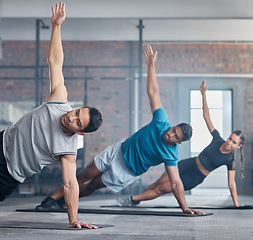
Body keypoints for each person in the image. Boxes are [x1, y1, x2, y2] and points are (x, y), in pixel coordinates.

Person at [36, 45, 203, 215]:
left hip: (127, 170)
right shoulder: (161, 121)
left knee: (93, 185)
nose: (170, 134)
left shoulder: (170, 154)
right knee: (85, 174)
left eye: (175, 137)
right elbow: (153, 92)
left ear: (179, 142)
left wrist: (185, 208)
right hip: (118, 151)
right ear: (173, 126)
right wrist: (151, 66)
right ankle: (51, 199)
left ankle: (66, 200)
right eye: (174, 130)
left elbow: (175, 183)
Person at [0, 2, 102, 229]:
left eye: (77, 122)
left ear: (81, 132)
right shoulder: (59, 99)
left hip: (9, 174)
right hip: (2, 142)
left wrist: (73, 219)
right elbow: (55, 63)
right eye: (76, 112)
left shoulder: (68, 149)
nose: (71, 118)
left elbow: (70, 184)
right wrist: (56, 27)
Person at [118, 80, 245, 207]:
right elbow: (206, 116)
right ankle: (137, 201)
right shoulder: (217, 139)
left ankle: (131, 199)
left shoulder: (230, 159)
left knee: (161, 189)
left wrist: (236, 203)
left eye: (234, 142)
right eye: (230, 138)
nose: (229, 142)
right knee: (158, 182)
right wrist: (203, 95)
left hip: (195, 176)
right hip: (188, 164)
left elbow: (231, 183)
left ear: (239, 146)